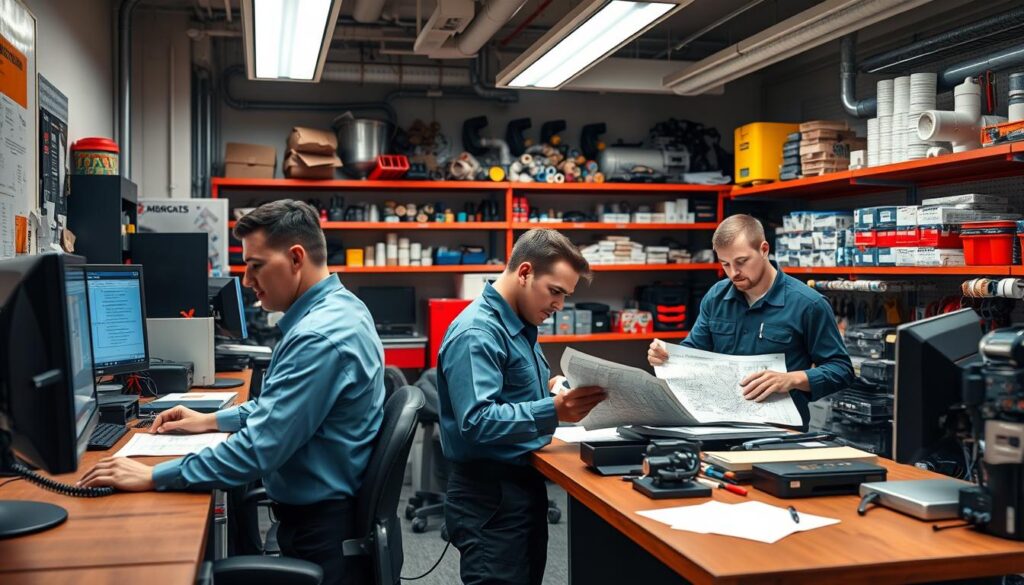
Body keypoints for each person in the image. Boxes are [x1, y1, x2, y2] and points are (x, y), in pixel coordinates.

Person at [79, 199, 385, 585]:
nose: (246, 281)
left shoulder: (318, 338)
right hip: (324, 518)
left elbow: (261, 447)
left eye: (255, 266)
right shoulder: (342, 310)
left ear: (295, 258)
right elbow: (282, 408)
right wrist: (211, 419)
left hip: (320, 535)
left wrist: (155, 476)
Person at [438, 228, 607, 585]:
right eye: (555, 291)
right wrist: (554, 410)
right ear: (525, 272)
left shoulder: (518, 324)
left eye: (566, 295)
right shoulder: (477, 332)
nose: (559, 305)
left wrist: (552, 390)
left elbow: (511, 393)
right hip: (489, 498)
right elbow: (478, 421)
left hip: (520, 489)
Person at [648, 214, 853, 427]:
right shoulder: (716, 297)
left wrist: (792, 379)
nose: (733, 273)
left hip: (779, 434)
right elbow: (693, 353)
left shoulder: (809, 304)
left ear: (764, 250)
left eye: (741, 262)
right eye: (725, 264)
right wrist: (669, 357)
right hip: (718, 426)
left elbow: (841, 370)